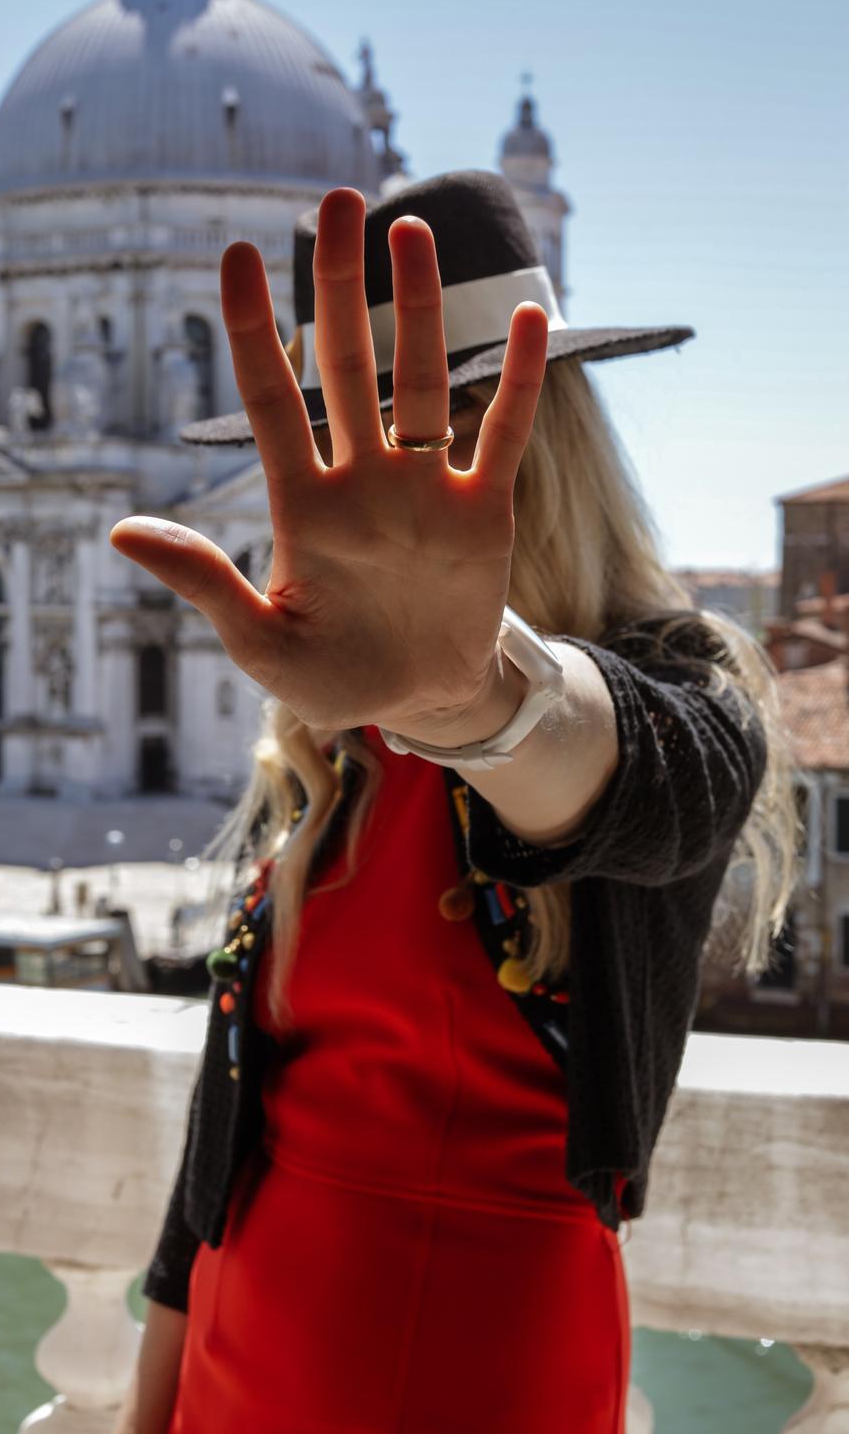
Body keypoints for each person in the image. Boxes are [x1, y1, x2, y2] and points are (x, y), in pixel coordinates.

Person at [109, 172, 797, 1434]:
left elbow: (658, 794)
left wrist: (471, 695)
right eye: (338, 437)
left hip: (482, 1360)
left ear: (548, 430)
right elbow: (232, 1120)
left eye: (440, 415)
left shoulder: (677, 687)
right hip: (243, 1326)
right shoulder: (324, 751)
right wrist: (153, 1401)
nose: (382, 475)